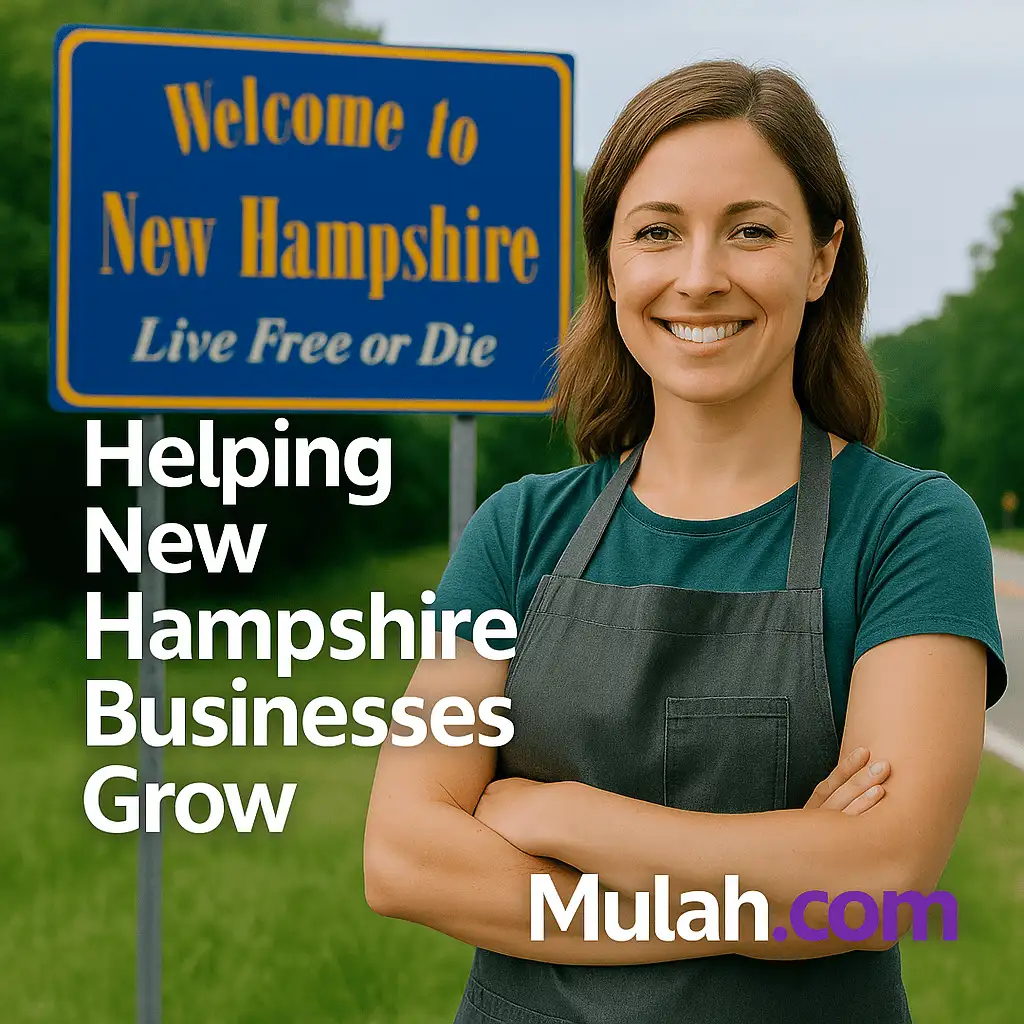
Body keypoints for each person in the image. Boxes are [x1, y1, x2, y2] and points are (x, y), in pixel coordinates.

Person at [363, 59, 1007, 1024]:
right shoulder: (516, 532)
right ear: (612, 265)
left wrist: (562, 817)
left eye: (751, 231)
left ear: (822, 260)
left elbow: (882, 875)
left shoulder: (908, 530)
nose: (700, 278)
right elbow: (404, 858)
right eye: (657, 232)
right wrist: (777, 895)